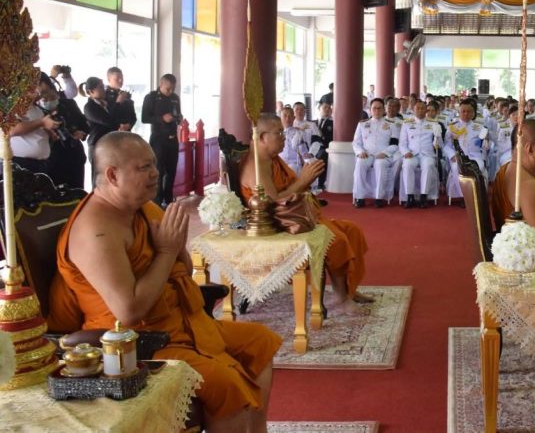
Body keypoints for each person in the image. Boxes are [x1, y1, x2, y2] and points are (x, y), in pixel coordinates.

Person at [52, 132, 281, 430]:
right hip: (138, 343)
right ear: (112, 175)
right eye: (143, 167)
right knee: (224, 384)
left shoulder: (145, 209)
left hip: (179, 324)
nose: (154, 173)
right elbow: (129, 311)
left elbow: (183, 269)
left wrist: (175, 249)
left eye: (154, 165)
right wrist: (167, 251)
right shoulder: (96, 229)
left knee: (261, 342)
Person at [240, 114, 372, 313]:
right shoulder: (256, 164)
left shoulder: (271, 159)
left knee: (352, 230)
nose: (284, 137)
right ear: (262, 137)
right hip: (281, 222)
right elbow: (272, 202)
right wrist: (303, 181)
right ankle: (341, 297)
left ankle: (349, 290)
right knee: (337, 240)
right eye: (279, 133)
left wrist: (304, 181)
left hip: (296, 214)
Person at [37, 74, 88, 189]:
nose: (44, 97)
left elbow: (84, 124)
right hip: (51, 162)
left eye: (46, 92)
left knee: (77, 192)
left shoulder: (69, 104)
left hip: (74, 155)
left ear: (53, 88)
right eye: (40, 95)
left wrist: (81, 133)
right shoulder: (37, 112)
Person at [141, 74, 182, 206]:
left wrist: (179, 118)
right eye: (168, 89)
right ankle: (157, 201)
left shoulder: (175, 98)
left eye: (173, 89)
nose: (170, 92)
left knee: (172, 171)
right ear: (161, 84)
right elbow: (144, 118)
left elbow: (178, 114)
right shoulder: (151, 97)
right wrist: (161, 118)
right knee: (158, 171)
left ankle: (169, 200)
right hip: (158, 139)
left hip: (173, 139)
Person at [4, 78, 58, 175]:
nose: (40, 95)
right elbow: (13, 129)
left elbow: (36, 128)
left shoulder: (37, 109)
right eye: (39, 91)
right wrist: (42, 122)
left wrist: (49, 132)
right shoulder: (11, 105)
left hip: (41, 165)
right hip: (20, 163)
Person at [351, 97, 397, 208]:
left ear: (384, 110)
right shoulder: (362, 124)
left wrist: (385, 153)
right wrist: (360, 151)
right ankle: (360, 197)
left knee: (380, 165)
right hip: (367, 154)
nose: (377, 111)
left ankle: (379, 197)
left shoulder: (391, 124)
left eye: (379, 108)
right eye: (374, 108)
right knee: (360, 164)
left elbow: (395, 144)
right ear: (370, 110)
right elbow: (356, 142)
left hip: (383, 155)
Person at [82, 77, 128, 186]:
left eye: (104, 87)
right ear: (91, 92)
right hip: (97, 144)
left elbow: (116, 118)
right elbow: (107, 121)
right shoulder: (89, 107)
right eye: (101, 87)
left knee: (110, 176)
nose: (104, 90)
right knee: (98, 178)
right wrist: (118, 103)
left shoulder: (106, 103)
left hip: (110, 143)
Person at [443, 98, 488, 205]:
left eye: (469, 111)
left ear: (473, 113)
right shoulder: (452, 127)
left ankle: (477, 195)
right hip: (458, 156)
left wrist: (486, 142)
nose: (466, 114)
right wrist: (452, 155)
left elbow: (485, 146)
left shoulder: (480, 127)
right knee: (456, 168)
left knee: (479, 168)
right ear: (459, 112)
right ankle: (464, 197)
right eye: (463, 111)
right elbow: (446, 145)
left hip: (475, 156)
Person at [399, 99, 441, 208]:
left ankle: (424, 196)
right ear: (413, 110)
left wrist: (437, 137)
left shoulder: (433, 123)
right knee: (407, 165)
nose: (420, 110)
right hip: (411, 154)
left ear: (426, 110)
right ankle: (409, 196)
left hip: (427, 154)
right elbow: (402, 143)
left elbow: (439, 144)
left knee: (428, 165)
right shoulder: (407, 123)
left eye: (423, 108)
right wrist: (406, 152)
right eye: (418, 108)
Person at [104, 67, 137, 131]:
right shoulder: (104, 95)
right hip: (111, 133)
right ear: (109, 79)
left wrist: (129, 125)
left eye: (122, 78)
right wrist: (118, 102)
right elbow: (107, 117)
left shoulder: (124, 94)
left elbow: (133, 117)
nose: (120, 80)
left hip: (126, 132)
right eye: (117, 78)